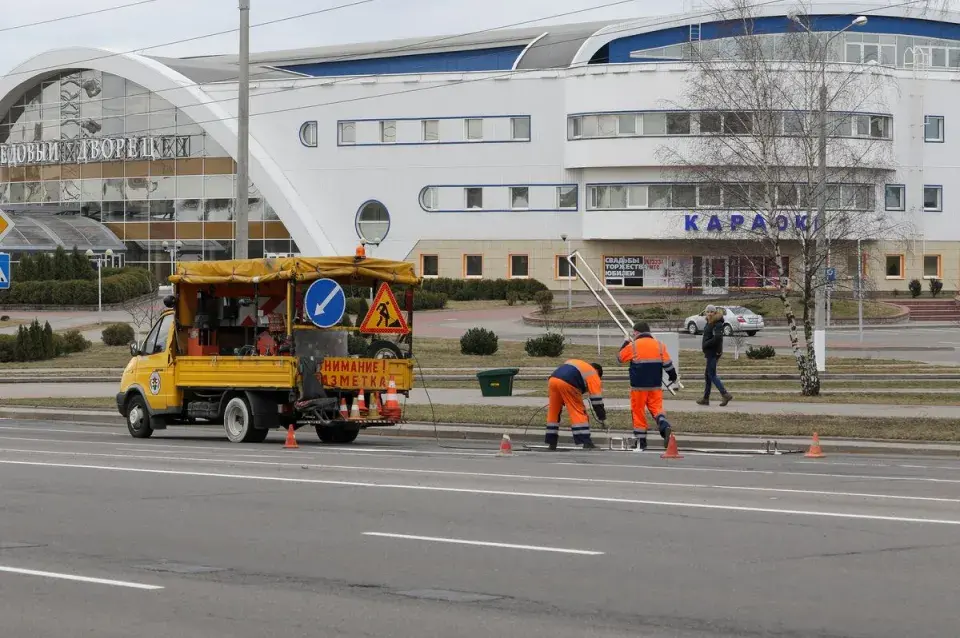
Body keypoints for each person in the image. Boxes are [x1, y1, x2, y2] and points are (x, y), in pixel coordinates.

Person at [618, 322, 680, 451]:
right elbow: (668, 364)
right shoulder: (659, 345)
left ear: (636, 332)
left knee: (638, 412)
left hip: (638, 386)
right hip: (655, 385)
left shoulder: (633, 345)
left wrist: (625, 342)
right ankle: (664, 425)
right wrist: (673, 376)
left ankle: (641, 441)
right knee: (657, 409)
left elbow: (620, 358)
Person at [546, 359, 606, 450]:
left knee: (554, 411)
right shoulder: (594, 375)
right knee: (578, 411)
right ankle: (586, 442)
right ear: (598, 373)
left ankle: (551, 442)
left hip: (553, 380)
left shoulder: (579, 364)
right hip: (569, 382)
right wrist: (602, 417)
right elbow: (596, 400)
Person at [698, 305, 733, 406]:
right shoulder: (709, 322)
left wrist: (706, 344)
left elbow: (718, 338)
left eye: (711, 312)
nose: (709, 313)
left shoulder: (717, 323)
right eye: (707, 312)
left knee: (711, 374)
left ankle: (725, 394)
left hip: (713, 352)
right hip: (710, 352)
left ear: (714, 313)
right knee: (708, 375)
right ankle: (705, 398)